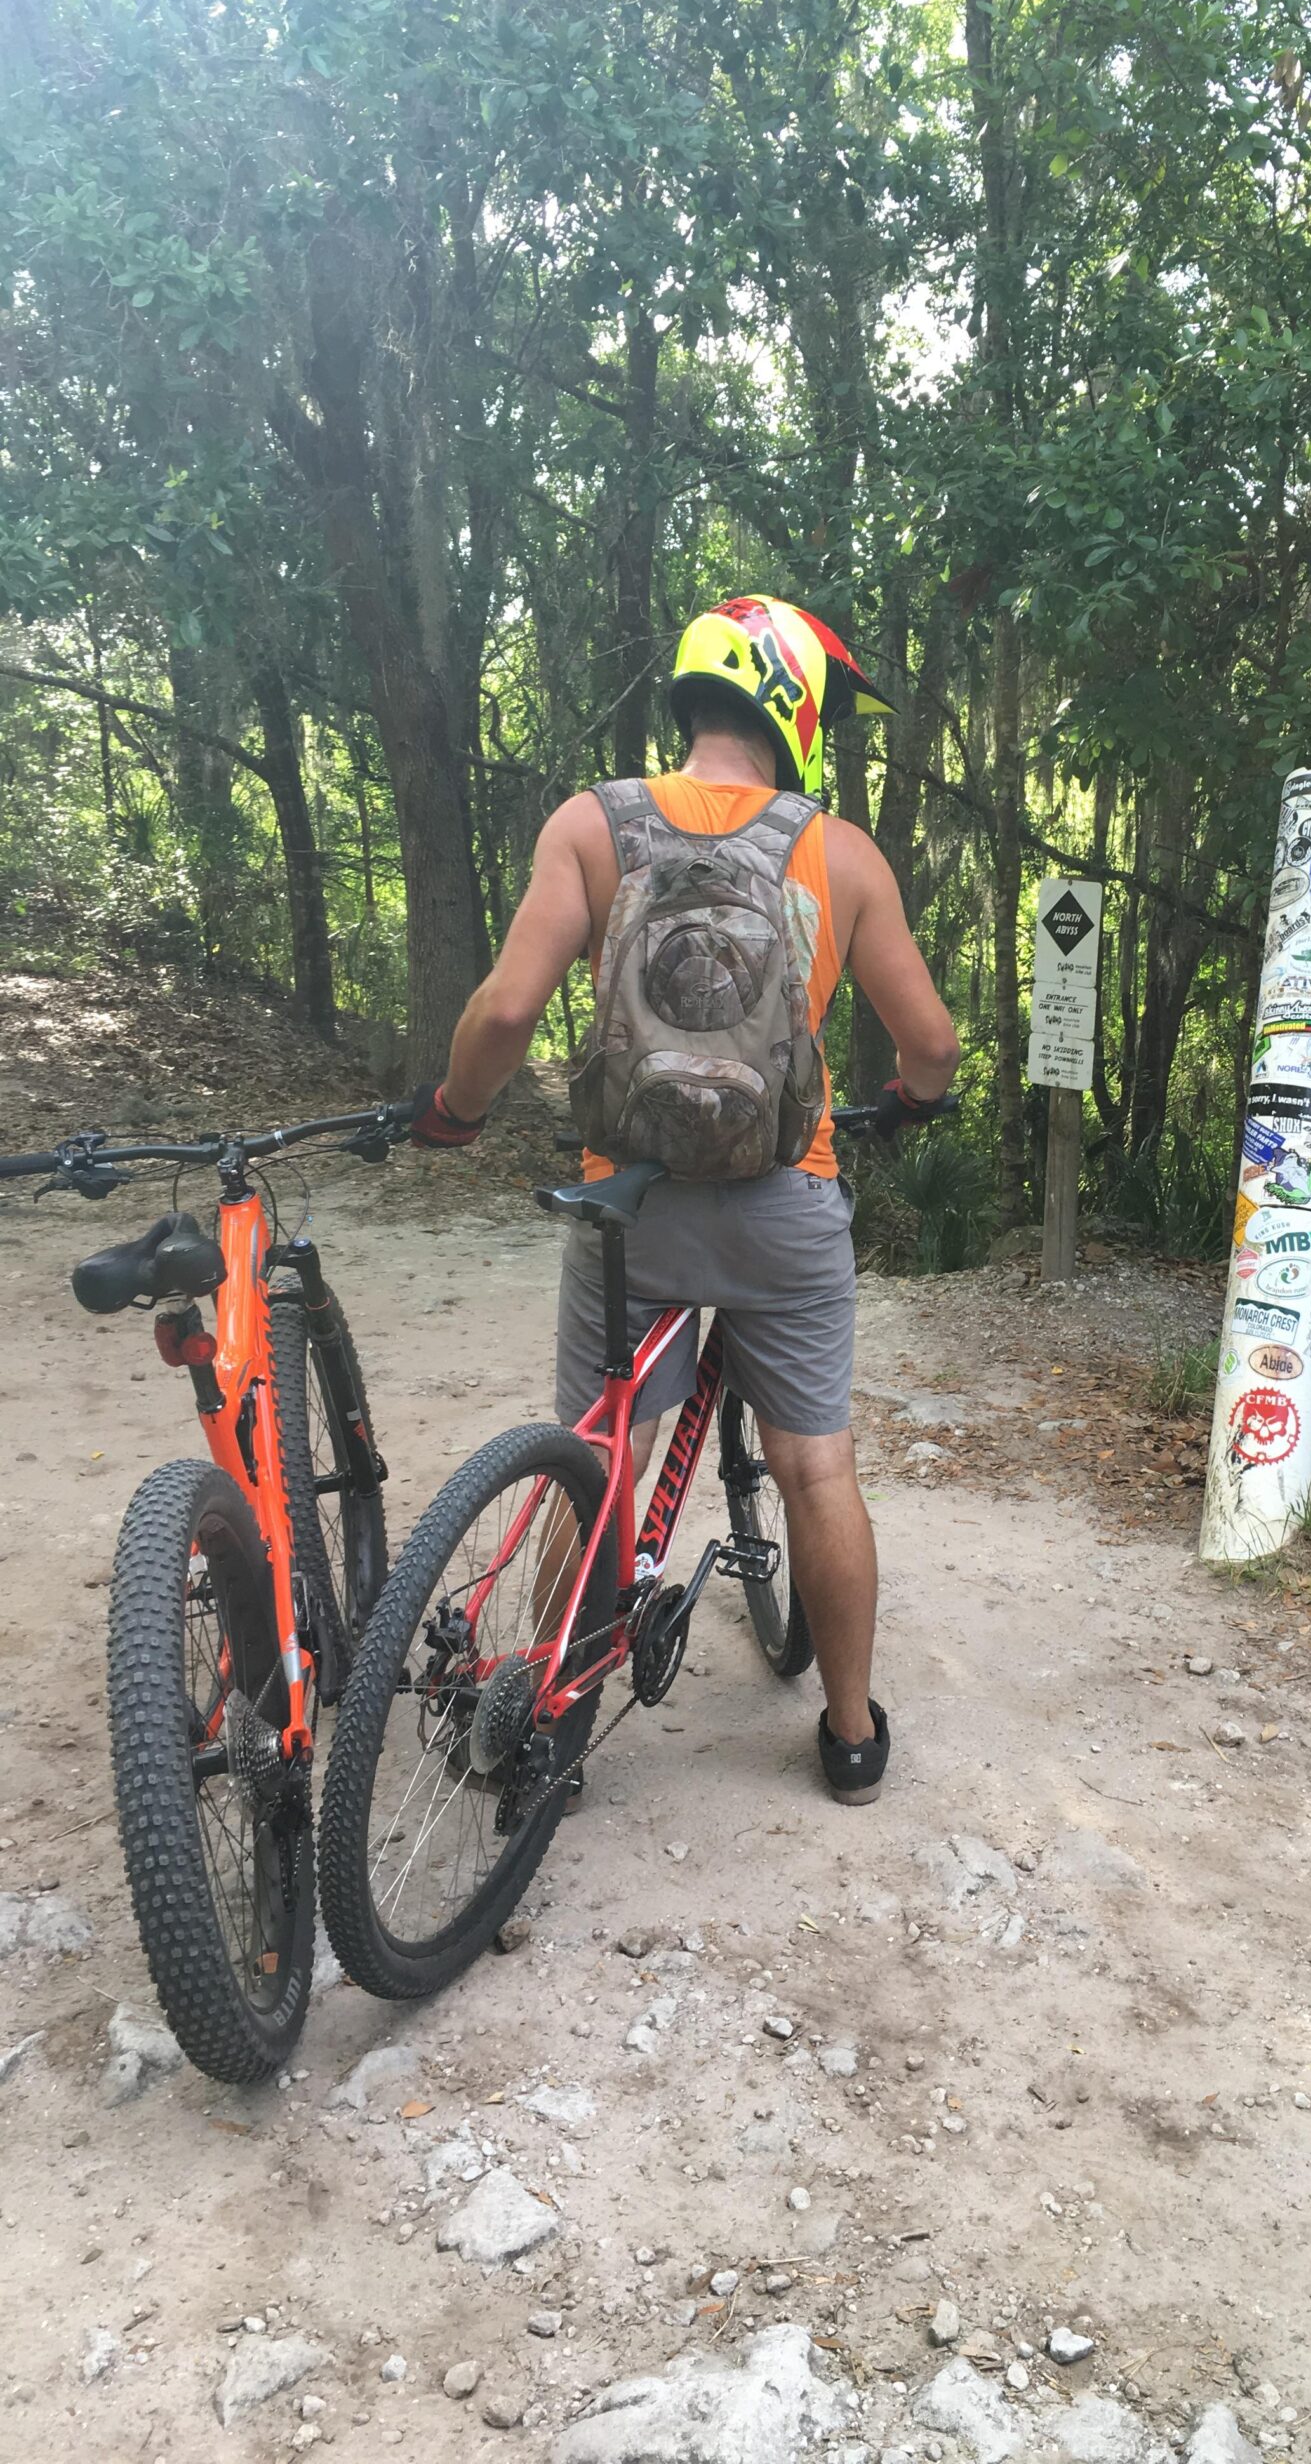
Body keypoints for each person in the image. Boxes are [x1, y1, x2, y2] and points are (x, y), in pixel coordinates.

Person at [408, 595, 959, 1805]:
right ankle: (852, 1735)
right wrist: (909, 1103)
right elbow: (934, 1044)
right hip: (785, 1206)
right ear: (795, 704)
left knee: (607, 1451)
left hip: (633, 1212)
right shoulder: (842, 853)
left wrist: (454, 1109)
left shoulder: (592, 825)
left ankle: (547, 1705)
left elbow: (503, 1013)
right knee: (816, 1466)